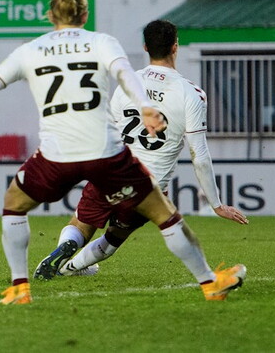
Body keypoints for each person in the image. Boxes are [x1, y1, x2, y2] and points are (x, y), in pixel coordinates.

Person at [0, 0, 246, 304]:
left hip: (61, 153)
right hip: (113, 158)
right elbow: (127, 77)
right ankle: (208, 283)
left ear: (50, 15)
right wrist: (147, 108)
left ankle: (21, 287)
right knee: (163, 217)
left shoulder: (31, 49)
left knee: (16, 203)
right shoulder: (103, 44)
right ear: (85, 15)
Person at [33, 19, 248, 281]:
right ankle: (71, 268)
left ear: (146, 47)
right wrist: (216, 204)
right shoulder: (191, 94)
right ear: (175, 46)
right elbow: (199, 156)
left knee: (81, 223)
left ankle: (63, 254)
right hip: (148, 187)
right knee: (115, 237)